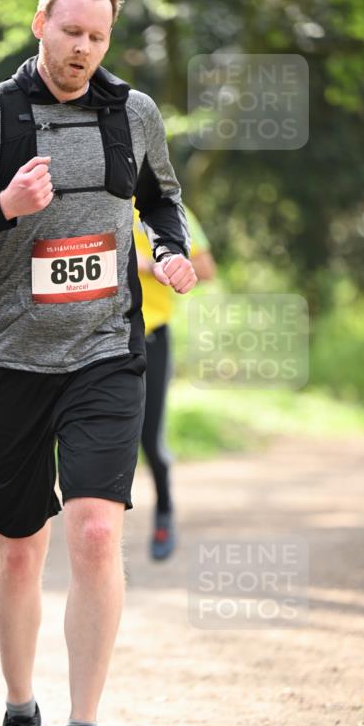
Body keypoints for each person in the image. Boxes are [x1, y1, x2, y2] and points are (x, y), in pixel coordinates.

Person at [0, 0, 196, 726]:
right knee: (18, 548)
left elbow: (163, 201)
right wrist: (0, 207)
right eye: (70, 31)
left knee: (98, 535)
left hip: (107, 352)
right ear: (40, 23)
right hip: (9, 361)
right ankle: (17, 712)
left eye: (97, 37)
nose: (82, 49)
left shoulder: (133, 114)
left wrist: (169, 251)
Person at [135, 204, 216, 559]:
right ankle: (105, 542)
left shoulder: (165, 207)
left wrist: (153, 265)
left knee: (149, 438)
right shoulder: (87, 193)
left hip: (151, 335)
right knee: (108, 440)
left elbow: (206, 269)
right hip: (97, 335)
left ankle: (164, 511)